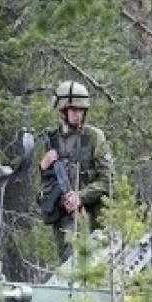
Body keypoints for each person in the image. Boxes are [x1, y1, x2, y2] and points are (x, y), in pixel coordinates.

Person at [36, 81, 113, 260]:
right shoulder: (52, 139)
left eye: (81, 110)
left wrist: (81, 196)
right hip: (64, 220)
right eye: (73, 110)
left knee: (91, 266)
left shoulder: (94, 137)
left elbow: (108, 181)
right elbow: (45, 185)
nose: (77, 114)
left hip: (92, 219)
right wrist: (42, 167)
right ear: (63, 111)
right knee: (68, 266)